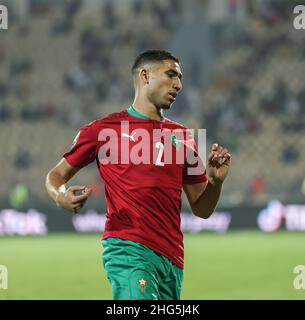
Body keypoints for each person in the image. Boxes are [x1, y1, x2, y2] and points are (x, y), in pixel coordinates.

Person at [45, 50, 231, 300]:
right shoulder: (103, 131)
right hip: (128, 248)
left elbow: (202, 208)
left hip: (172, 257)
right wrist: (60, 197)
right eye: (171, 74)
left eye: (180, 77)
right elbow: (56, 175)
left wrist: (215, 183)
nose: (178, 84)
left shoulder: (184, 138)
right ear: (145, 75)